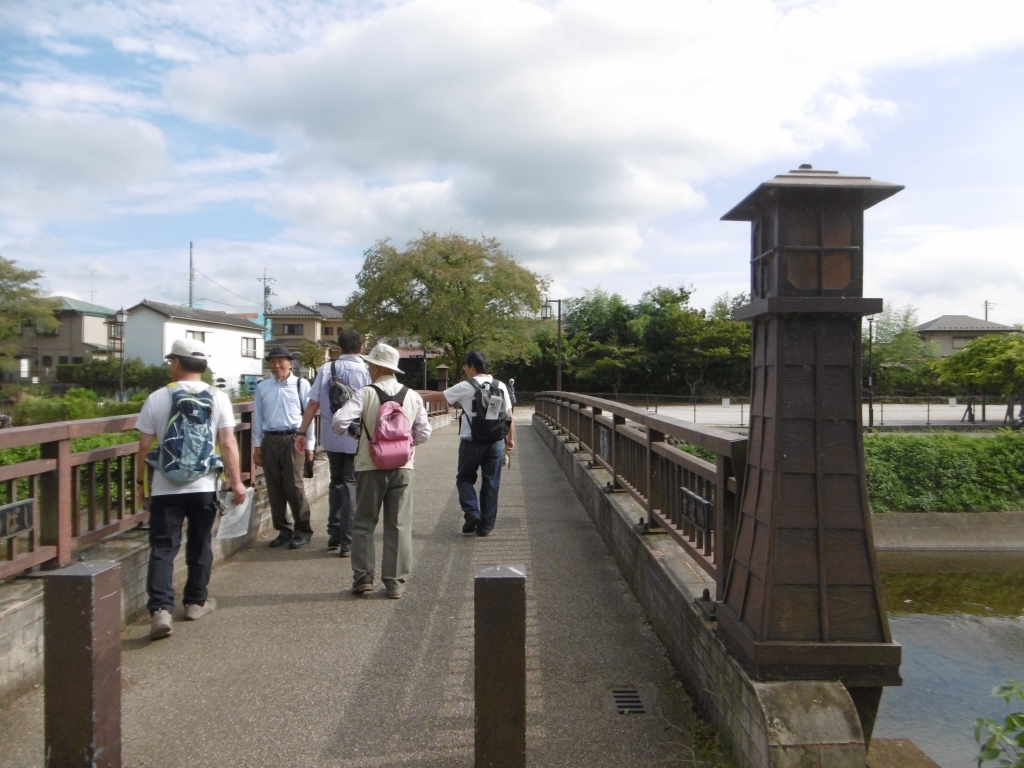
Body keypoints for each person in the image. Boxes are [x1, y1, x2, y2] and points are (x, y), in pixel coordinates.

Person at [136, 338, 246, 640]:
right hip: (204, 485)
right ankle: (196, 602)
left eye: (171, 361)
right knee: (200, 543)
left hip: (164, 486)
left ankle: (160, 609)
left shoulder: (157, 397)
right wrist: (236, 481)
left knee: (163, 547)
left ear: (177, 363)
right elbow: (227, 443)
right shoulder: (218, 397)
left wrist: (140, 484)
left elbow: (144, 445)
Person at [332, 343, 431, 599]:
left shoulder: (365, 393)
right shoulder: (412, 395)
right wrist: (403, 445)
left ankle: (363, 578)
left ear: (376, 367)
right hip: (403, 467)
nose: (368, 368)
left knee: (364, 522)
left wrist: (358, 434)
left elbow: (339, 421)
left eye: (370, 365)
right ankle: (395, 583)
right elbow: (424, 433)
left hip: (370, 465)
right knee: (399, 524)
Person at [421, 350, 514, 537]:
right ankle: (485, 527)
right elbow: (509, 416)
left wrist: (413, 396)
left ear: (471, 366)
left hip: (471, 441)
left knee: (464, 479)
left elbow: (439, 397)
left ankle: (472, 512)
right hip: (495, 442)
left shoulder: (466, 386)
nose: (464, 369)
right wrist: (509, 440)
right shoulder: (501, 386)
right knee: (491, 483)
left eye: (465, 366)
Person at [295, 330, 370, 555]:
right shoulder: (367, 370)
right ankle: (347, 540)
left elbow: (313, 403)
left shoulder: (328, 369)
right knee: (351, 483)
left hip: (332, 435)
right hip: (357, 435)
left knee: (336, 481)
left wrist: (302, 432)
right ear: (361, 348)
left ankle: (334, 534)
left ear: (339, 348)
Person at [253, 345, 317, 549]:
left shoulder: (301, 384)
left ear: (290, 363)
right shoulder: (263, 387)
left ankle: (303, 530)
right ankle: (283, 529)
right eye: (272, 362)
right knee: (274, 487)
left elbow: (309, 416)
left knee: (294, 486)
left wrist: (310, 444)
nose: (276, 365)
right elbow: (258, 417)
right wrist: (257, 445)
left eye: (281, 361)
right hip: (270, 439)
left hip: (293, 438)